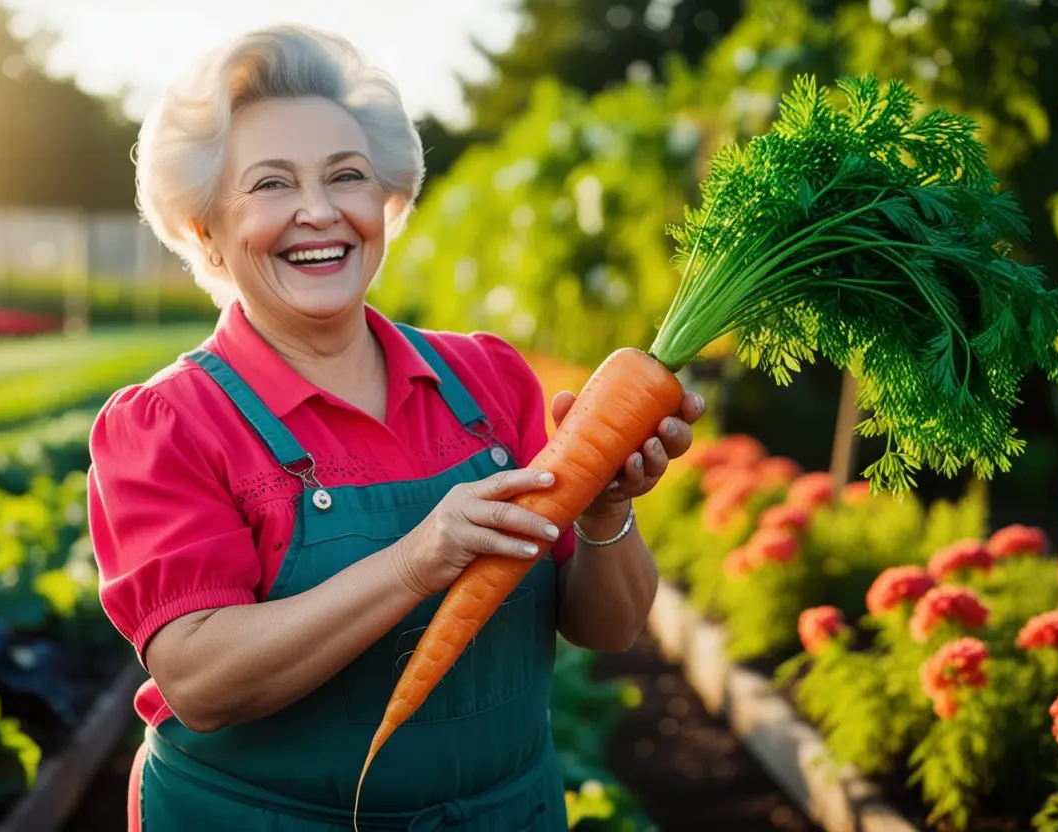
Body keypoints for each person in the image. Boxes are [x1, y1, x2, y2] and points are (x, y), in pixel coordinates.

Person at [87, 21, 703, 832]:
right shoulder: (169, 425)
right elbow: (202, 681)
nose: (318, 212)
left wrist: (604, 516)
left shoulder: (487, 380)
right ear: (204, 227)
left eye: (346, 176)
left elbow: (611, 625)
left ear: (386, 200)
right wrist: (417, 561)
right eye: (271, 184)